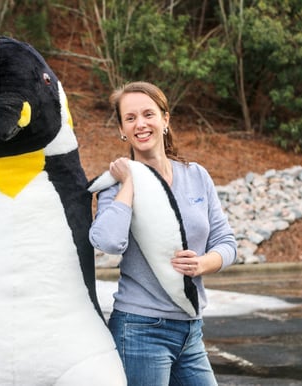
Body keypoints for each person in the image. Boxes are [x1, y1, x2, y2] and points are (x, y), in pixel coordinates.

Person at [89, 81, 237, 386]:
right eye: (130, 118)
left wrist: (202, 264)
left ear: (165, 119)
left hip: (191, 329)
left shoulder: (196, 175)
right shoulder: (114, 185)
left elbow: (226, 243)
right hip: (140, 329)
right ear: (122, 129)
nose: (140, 124)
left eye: (148, 114)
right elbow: (108, 241)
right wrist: (130, 181)